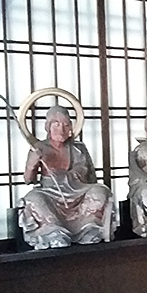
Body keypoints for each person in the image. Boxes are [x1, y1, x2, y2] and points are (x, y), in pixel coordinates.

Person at [19, 105, 114, 249]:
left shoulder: (79, 148)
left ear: (71, 127)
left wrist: (72, 175)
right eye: (56, 124)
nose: (61, 129)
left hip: (77, 191)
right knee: (33, 198)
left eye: (65, 124)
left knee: (101, 191)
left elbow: (90, 177)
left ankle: (88, 228)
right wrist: (32, 164)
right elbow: (28, 180)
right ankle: (54, 231)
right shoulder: (39, 148)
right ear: (48, 126)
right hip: (51, 193)